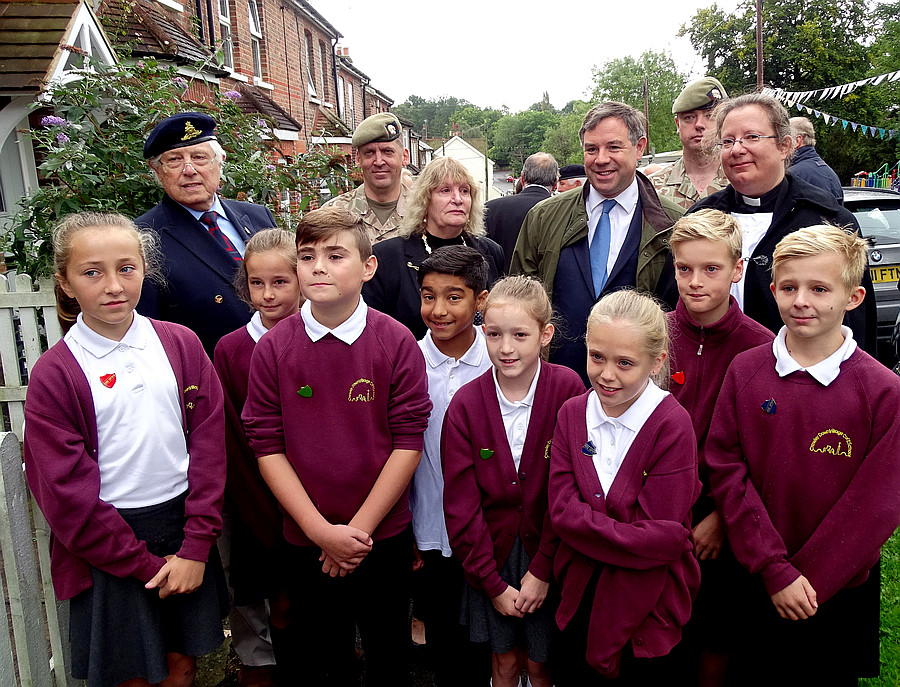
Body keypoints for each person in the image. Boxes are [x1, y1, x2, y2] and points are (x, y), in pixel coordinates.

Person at [24, 212, 227, 687]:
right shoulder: (56, 374)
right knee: (131, 673)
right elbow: (64, 493)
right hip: (109, 544)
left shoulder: (179, 344)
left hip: (183, 529)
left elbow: (209, 445)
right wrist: (142, 565)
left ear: (145, 269)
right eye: (92, 272)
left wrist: (196, 546)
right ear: (66, 283)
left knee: (181, 665)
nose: (113, 285)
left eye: (126, 268)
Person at [242, 206, 432, 686]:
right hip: (307, 538)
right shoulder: (273, 348)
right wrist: (321, 532)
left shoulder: (396, 342)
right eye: (307, 257)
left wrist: (357, 532)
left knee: (388, 652)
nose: (319, 267)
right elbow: (267, 446)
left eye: (335, 255)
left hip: (380, 537)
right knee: (325, 656)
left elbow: (408, 441)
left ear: (368, 268)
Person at [705, 225, 900, 685]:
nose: (801, 301)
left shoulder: (881, 391)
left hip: (835, 588)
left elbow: (878, 502)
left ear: (853, 297)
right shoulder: (746, 370)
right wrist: (774, 570)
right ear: (772, 290)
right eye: (789, 287)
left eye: (819, 288)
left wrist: (806, 578)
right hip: (755, 575)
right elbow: (726, 469)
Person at [548, 289, 700, 685]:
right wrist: (626, 531)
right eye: (597, 356)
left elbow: (664, 538)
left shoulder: (671, 424)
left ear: (657, 363)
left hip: (648, 611)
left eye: (625, 363)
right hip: (579, 599)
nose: (607, 374)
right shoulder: (571, 413)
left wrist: (589, 526)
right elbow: (562, 512)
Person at [442, 275, 584, 687]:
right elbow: (461, 505)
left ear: (545, 334)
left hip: (550, 552)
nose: (506, 348)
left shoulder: (568, 391)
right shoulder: (466, 405)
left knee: (541, 664)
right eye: (494, 334)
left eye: (520, 334)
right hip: (491, 554)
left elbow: (570, 491)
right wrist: (492, 582)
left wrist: (542, 571)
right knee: (504, 661)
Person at [666, 209, 774, 686]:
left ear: (737, 268)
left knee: (717, 631)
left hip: (720, 517)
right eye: (684, 268)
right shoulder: (655, 335)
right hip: (655, 512)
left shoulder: (763, 350)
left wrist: (724, 522)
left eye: (711, 269)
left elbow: (766, 455)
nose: (695, 282)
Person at [679, 93, 875, 352]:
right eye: (728, 141)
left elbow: (857, 325)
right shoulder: (700, 218)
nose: (737, 149)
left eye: (751, 137)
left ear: (784, 146)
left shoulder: (827, 220)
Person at [511, 101, 684, 383]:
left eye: (613, 147)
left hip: (632, 394)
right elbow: (520, 304)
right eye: (591, 149)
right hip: (554, 387)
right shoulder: (543, 217)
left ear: (639, 147)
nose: (601, 158)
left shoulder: (672, 224)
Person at [213, 229, 301, 687]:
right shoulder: (230, 349)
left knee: (303, 605)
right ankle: (256, 669)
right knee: (254, 597)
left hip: (316, 503)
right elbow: (233, 436)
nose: (267, 295)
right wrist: (261, 509)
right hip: (253, 500)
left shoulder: (317, 340)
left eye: (280, 282)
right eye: (256, 282)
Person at [411, 246, 493, 686]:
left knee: (488, 638)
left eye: (454, 296)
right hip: (429, 525)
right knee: (443, 635)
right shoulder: (409, 361)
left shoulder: (501, 362)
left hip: (490, 529)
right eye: (428, 296)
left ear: (480, 300)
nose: (438, 310)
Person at [136, 112, 277, 357]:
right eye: (174, 160)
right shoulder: (143, 237)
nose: (189, 170)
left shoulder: (258, 217)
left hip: (282, 362)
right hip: (211, 378)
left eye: (200, 157)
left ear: (220, 162)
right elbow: (146, 330)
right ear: (158, 171)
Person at [363, 157, 504, 339]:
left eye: (464, 191)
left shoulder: (490, 252)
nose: (458, 199)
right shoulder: (387, 257)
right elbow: (375, 332)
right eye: (445, 190)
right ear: (425, 200)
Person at [324, 112, 411, 244]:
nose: (379, 161)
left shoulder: (425, 211)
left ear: (404, 157)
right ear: (358, 159)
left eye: (387, 151)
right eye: (369, 153)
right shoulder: (333, 214)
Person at [649, 77, 730, 210]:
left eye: (710, 116)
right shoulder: (652, 189)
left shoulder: (743, 182)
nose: (699, 125)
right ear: (677, 124)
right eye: (689, 117)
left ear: (723, 122)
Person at [485, 153, 558, 272]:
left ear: (522, 178)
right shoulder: (562, 212)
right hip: (545, 288)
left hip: (499, 286)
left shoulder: (490, 209)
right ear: (555, 183)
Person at [788, 117, 843, 203]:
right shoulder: (829, 172)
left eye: (785, 140)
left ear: (797, 141)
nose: (782, 145)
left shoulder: (793, 175)